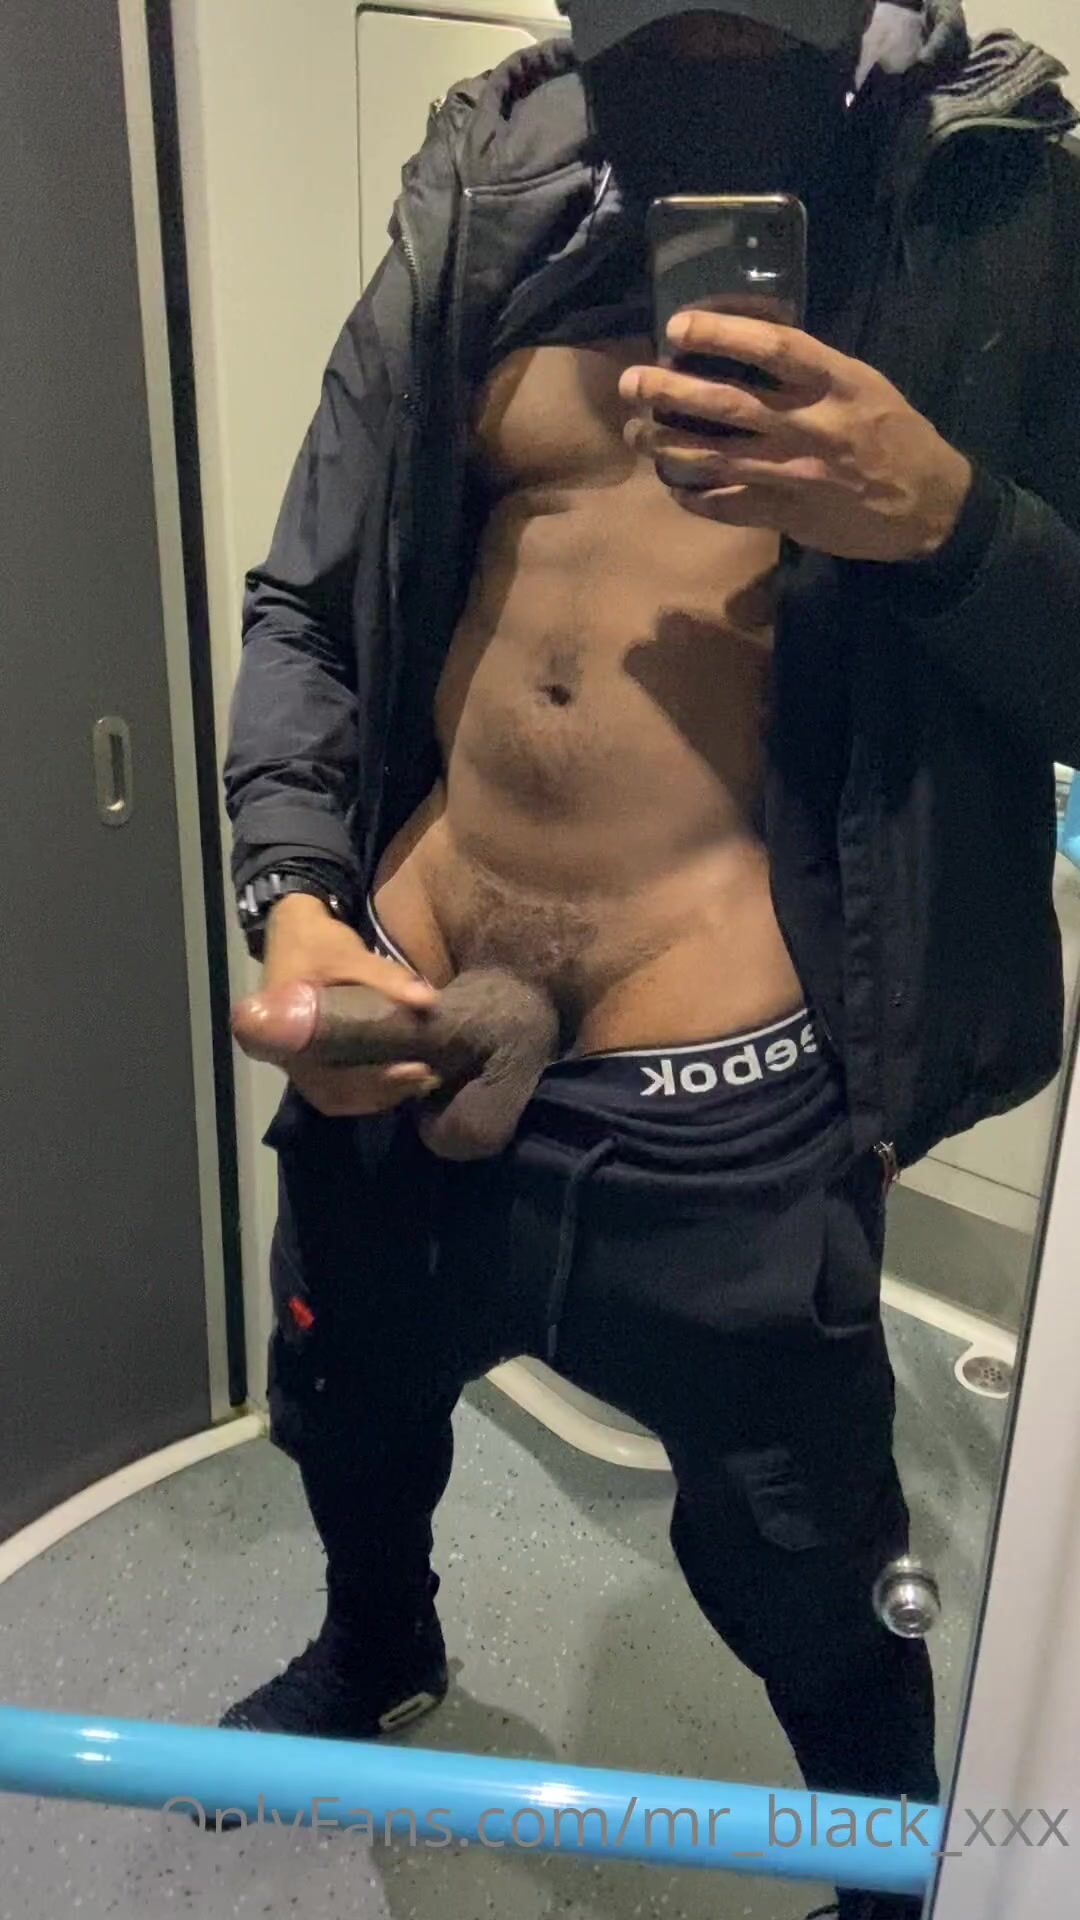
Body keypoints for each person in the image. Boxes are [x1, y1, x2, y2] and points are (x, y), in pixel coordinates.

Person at [221, 4, 1080, 1914]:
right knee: (349, 1403)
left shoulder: (1005, 217)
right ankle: (379, 1653)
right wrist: (298, 898)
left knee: (799, 1553)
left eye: (740, 37)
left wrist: (947, 523)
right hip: (408, 992)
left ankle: (887, 1876)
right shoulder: (494, 199)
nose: (686, 79)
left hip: (728, 1093)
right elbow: (310, 600)